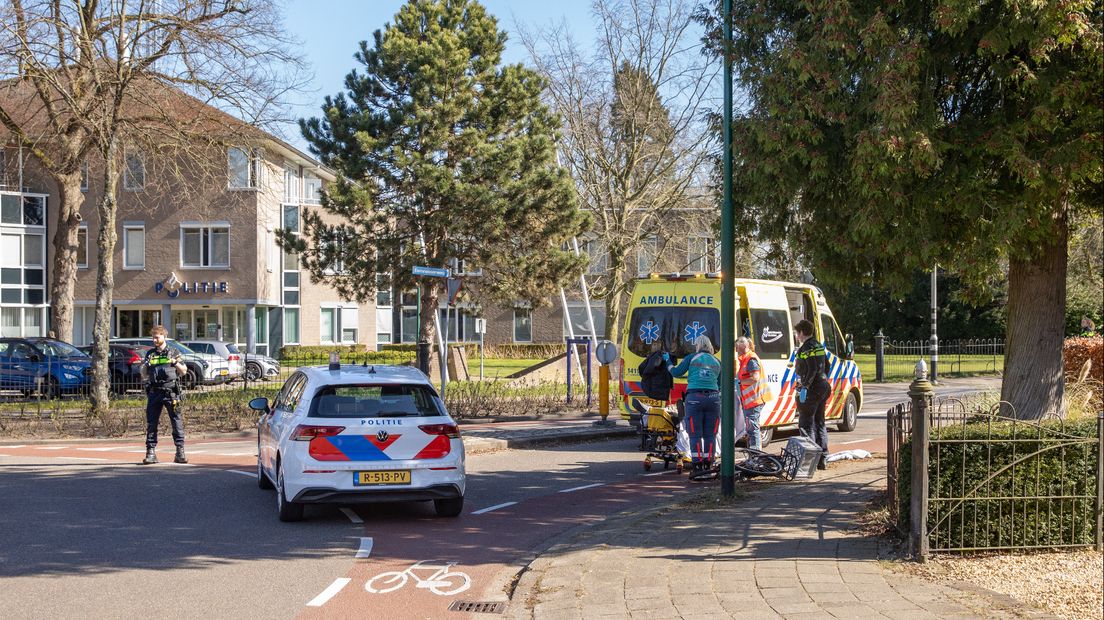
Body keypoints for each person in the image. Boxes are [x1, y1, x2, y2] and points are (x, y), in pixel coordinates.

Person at [665, 335, 720, 473]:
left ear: (698, 346)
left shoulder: (692, 358)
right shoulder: (717, 361)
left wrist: (668, 363)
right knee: (710, 435)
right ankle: (709, 463)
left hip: (694, 398)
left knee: (695, 434)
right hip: (713, 399)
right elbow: (720, 383)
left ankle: (697, 465)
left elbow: (676, 372)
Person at [140, 325, 189, 465]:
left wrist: (174, 361)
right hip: (155, 392)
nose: (154, 340)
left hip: (171, 392)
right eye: (153, 337)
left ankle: (180, 452)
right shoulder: (150, 354)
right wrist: (145, 365)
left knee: (176, 421)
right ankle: (150, 452)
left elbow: (183, 371)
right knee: (151, 422)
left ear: (164, 337)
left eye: (157, 337)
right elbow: (143, 374)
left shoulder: (173, 352)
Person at [793, 319, 831, 469]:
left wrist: (805, 386)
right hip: (823, 387)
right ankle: (823, 459)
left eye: (797, 333)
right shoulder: (819, 345)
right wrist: (823, 379)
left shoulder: (806, 349)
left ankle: (809, 461)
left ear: (802, 332)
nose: (797, 336)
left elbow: (811, 369)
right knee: (820, 422)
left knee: (806, 424)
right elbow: (826, 365)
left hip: (812, 389)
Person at [736, 336, 772, 451]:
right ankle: (755, 455)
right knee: (752, 429)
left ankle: (756, 456)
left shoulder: (751, 359)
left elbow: (755, 378)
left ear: (744, 346)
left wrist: (740, 382)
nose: (736, 350)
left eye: (737, 347)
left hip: (755, 400)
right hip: (751, 401)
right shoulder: (745, 359)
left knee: (753, 429)